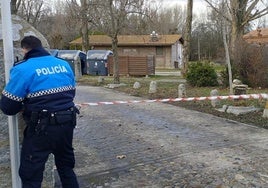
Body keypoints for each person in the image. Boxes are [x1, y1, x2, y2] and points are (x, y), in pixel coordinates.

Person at [0, 35, 79, 188]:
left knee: (31, 176)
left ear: (24, 50)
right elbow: (70, 93)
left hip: (41, 129)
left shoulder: (22, 69)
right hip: (67, 123)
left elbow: (8, 107)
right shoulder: (64, 65)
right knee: (66, 168)